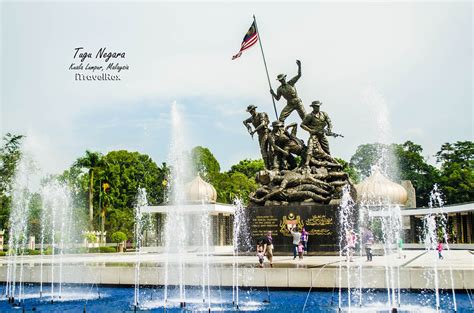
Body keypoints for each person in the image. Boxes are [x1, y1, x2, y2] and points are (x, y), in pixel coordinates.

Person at [301, 101, 333, 167]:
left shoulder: (324, 114)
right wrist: (310, 130)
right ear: (313, 107)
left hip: (322, 134)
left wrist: (329, 129)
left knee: (326, 148)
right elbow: (302, 125)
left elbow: (329, 122)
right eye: (316, 106)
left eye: (318, 106)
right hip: (314, 135)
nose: (318, 108)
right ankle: (308, 163)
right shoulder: (309, 116)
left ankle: (330, 163)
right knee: (311, 148)